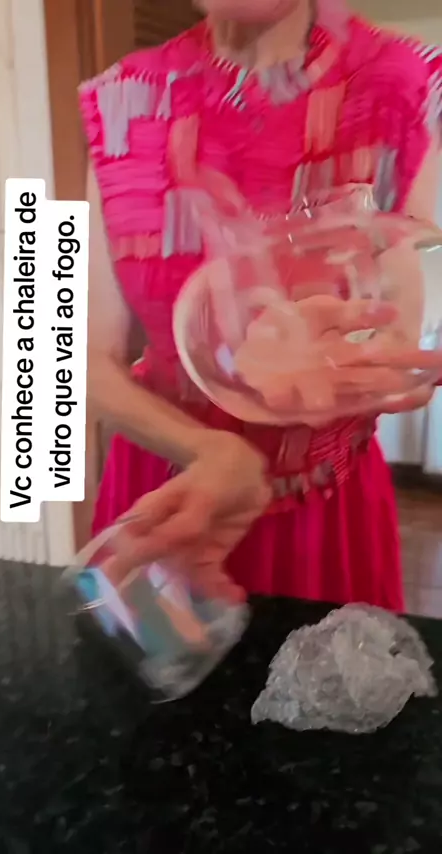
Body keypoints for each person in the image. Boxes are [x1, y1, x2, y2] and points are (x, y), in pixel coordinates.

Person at [79, 0, 442, 610]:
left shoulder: (407, 81)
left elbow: (406, 295)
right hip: (167, 494)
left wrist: (369, 366)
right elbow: (72, 350)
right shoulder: (115, 100)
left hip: (324, 512)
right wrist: (205, 448)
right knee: (141, 673)